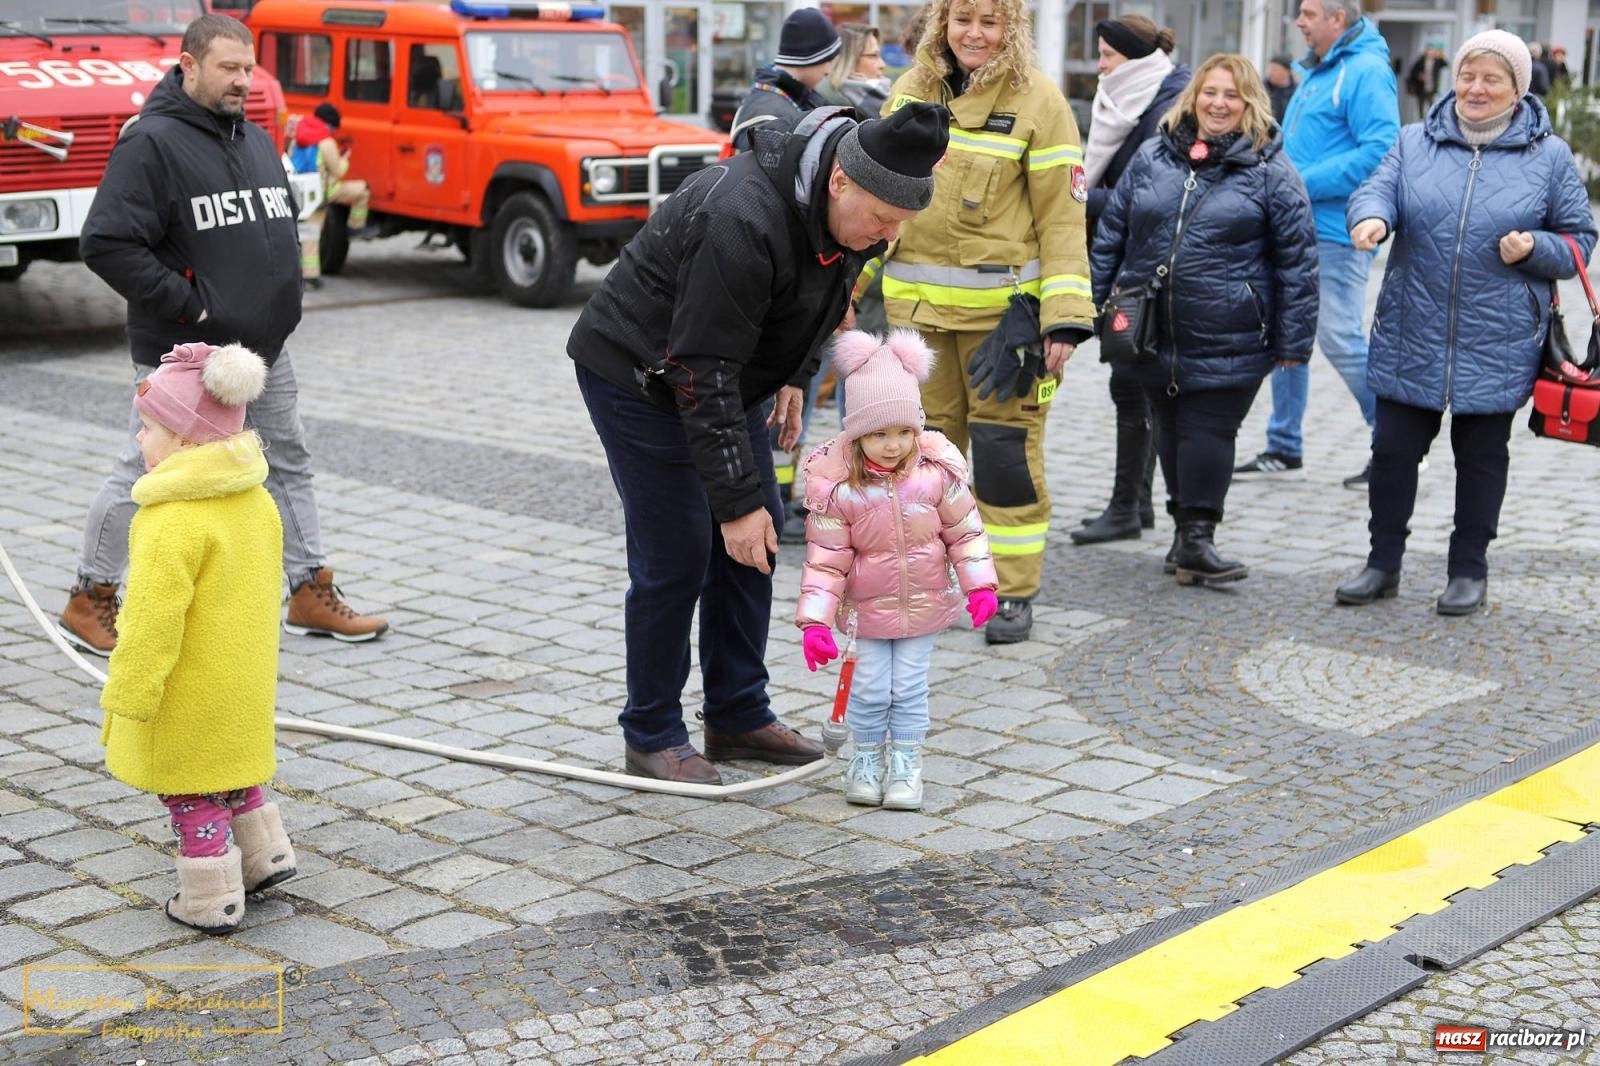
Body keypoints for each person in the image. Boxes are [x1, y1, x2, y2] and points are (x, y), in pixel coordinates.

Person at [567, 103, 951, 784]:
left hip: (724, 373)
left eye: (899, 224)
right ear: (839, 182)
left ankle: (737, 715)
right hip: (640, 373)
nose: (889, 236)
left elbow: (832, 293)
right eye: (883, 221)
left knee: (759, 541)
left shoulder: (858, 204)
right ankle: (651, 731)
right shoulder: (741, 219)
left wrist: (798, 376)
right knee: (681, 549)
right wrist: (734, 501)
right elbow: (698, 368)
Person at [65, 14, 388, 656]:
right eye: (228, 68)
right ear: (188, 66)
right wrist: (192, 306)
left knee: (288, 463)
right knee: (146, 469)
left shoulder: (255, 139)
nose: (243, 81)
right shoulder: (151, 143)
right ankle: (91, 596)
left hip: (264, 349)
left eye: (248, 68)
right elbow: (105, 242)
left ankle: (308, 588)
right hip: (189, 353)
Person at [1336, 31, 1595, 616]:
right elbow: (1374, 190)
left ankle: (1468, 569)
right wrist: (1372, 218)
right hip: (1413, 326)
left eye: (1491, 79)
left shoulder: (1549, 157)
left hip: (1498, 336)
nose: (1475, 89)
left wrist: (1534, 248)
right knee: (1393, 453)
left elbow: (1581, 241)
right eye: (1468, 75)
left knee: (1482, 457)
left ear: (1517, 88)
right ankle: (1382, 563)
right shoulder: (1412, 142)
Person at [872, 0, 1097, 644]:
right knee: (923, 460)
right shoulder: (909, 90)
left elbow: (1062, 221)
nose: (974, 32)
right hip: (918, 323)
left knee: (1004, 457)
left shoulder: (1041, 102)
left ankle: (1010, 589)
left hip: (1005, 328)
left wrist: (1064, 321)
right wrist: (840, 288)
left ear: (1011, 30)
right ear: (943, 23)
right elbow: (879, 197)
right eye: (962, 17)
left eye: (990, 21)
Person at [1093, 54, 1319, 585]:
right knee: (1169, 430)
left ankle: (1198, 536)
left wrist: (1294, 341)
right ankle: (1184, 533)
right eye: (1210, 92)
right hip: (1150, 328)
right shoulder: (1153, 155)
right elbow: (1112, 237)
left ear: (1250, 104)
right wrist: (1095, 304)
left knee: (1208, 430)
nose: (1218, 103)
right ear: (1193, 96)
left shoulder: (1272, 171)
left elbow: (1298, 263)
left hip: (1230, 331)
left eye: (1232, 95)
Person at [100, 342, 298, 935]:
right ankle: (268, 857)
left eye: (149, 429)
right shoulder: (255, 499)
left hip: (188, 692)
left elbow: (151, 620)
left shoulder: (170, 519)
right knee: (236, 772)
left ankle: (211, 898)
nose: (139, 440)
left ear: (187, 440)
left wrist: (130, 692)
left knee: (192, 794)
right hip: (240, 681)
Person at [794, 329, 998, 810]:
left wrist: (980, 586)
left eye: (903, 432)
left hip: (923, 607)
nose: (892, 445)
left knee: (907, 686)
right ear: (857, 433)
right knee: (868, 688)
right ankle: (865, 759)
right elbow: (825, 561)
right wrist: (815, 622)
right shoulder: (838, 488)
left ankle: (906, 764)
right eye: (879, 434)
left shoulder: (936, 475)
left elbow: (965, 534)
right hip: (866, 613)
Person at [1234, 0, 1398, 488]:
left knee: (1340, 338)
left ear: (1337, 19)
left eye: (1308, 13)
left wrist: (1299, 182)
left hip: (1335, 232)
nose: (1299, 22)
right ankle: (1284, 445)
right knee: (1290, 332)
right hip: (1296, 227)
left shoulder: (1365, 71)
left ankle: (1395, 445)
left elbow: (1381, 152)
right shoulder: (1321, 71)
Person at [1073, 15, 1189, 547]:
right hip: (1131, 259)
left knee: (1135, 382)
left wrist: (1074, 197)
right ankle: (1136, 504)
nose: (1100, 66)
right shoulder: (1131, 96)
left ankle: (1134, 506)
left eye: (1108, 56)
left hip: (1152, 266)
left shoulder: (1165, 105)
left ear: (1135, 59)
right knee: (1135, 383)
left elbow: (1145, 195)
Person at [728, 8, 841, 152]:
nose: (830, 71)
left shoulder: (790, 98)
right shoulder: (768, 114)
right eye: (829, 60)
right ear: (809, 57)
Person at [288, 101, 376, 285]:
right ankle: (355, 227)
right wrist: (345, 159)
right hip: (323, 192)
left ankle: (310, 277)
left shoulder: (298, 135)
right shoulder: (326, 142)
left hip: (302, 191)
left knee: (309, 232)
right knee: (363, 190)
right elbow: (338, 171)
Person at [819, 23, 892, 115]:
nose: (882, 65)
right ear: (847, 61)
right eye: (873, 56)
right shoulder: (835, 104)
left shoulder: (883, 94)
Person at [1406, 45, 1449, 122]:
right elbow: (1413, 72)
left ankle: (1430, 121)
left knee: (1431, 106)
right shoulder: (1421, 61)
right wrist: (1419, 76)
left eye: (1432, 51)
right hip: (1421, 88)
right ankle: (1421, 122)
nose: (1430, 53)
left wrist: (1441, 56)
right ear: (1426, 52)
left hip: (1431, 88)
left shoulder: (1437, 61)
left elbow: (1446, 64)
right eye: (1429, 51)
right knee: (1420, 106)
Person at [1266, 53, 1297, 122]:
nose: (1271, 73)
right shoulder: (1263, 88)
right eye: (1270, 69)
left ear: (1287, 72)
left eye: (1275, 70)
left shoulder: (1297, 93)